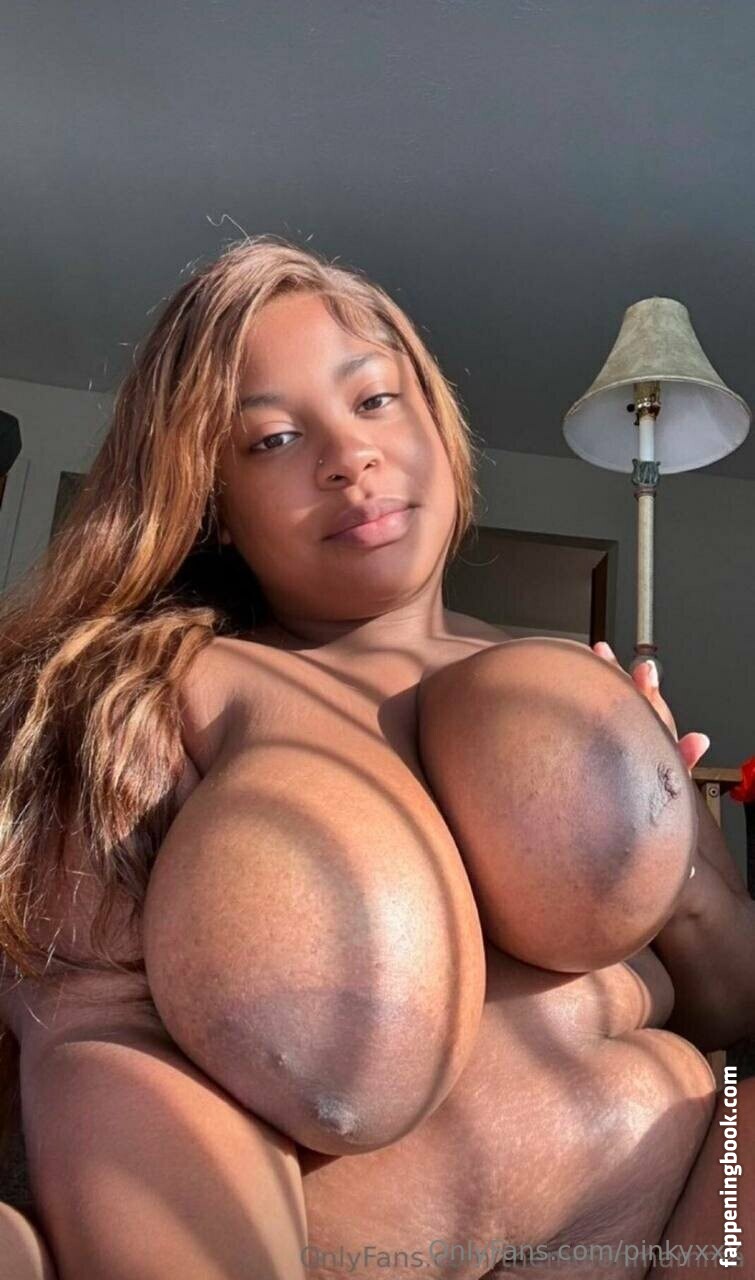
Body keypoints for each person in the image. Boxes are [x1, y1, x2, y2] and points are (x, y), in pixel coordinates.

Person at [0, 235, 752, 1279]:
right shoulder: (152, 694)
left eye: (373, 400)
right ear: (211, 502)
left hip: (682, 1232)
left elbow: (730, 1009)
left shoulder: (587, 688)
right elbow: (95, 1048)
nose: (348, 456)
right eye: (271, 438)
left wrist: (672, 850)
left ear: (433, 419)